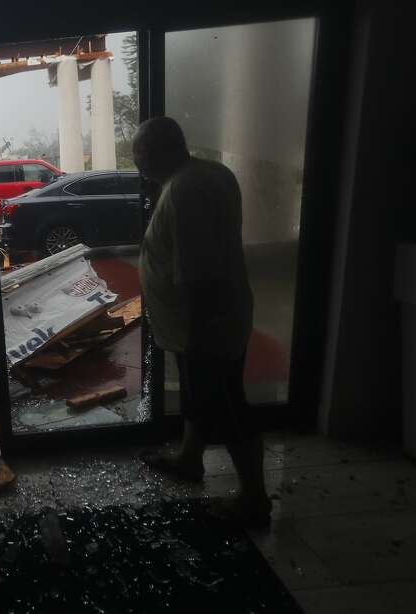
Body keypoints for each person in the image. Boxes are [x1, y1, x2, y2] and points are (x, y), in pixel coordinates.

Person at [134, 117, 271, 527]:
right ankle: (190, 458)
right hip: (209, 318)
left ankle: (254, 497)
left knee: (228, 404)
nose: (137, 163)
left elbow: (199, 273)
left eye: (139, 154)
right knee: (201, 394)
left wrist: (198, 335)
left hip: (206, 322)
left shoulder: (185, 190)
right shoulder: (209, 174)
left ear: (158, 152)